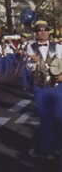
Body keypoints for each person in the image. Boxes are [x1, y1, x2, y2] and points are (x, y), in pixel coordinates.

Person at [26, 20, 62, 159]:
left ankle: (58, 145)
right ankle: (47, 149)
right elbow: (29, 67)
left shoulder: (58, 46)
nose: (43, 32)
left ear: (49, 31)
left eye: (45, 29)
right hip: (40, 87)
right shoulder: (31, 47)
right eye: (39, 30)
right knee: (45, 118)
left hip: (56, 86)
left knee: (59, 117)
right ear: (36, 33)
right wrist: (32, 61)